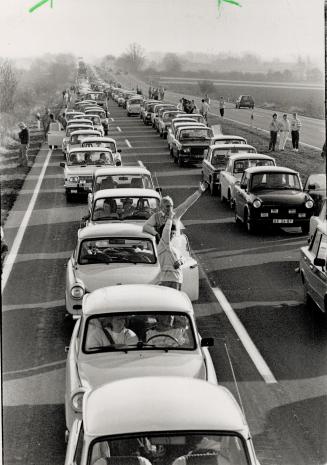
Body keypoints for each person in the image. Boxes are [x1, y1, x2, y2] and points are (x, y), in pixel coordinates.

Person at [142, 181, 208, 240]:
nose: (170, 208)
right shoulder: (156, 216)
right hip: (161, 244)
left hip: (175, 244)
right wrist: (156, 234)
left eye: (171, 206)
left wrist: (199, 192)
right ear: (161, 207)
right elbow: (145, 226)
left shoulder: (175, 213)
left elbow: (187, 204)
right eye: (167, 206)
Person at [156, 210, 183, 290]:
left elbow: (182, 257)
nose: (172, 236)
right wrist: (170, 218)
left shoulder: (173, 247)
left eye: (173, 233)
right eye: (171, 233)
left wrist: (180, 261)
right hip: (166, 280)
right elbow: (166, 231)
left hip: (177, 279)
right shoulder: (163, 244)